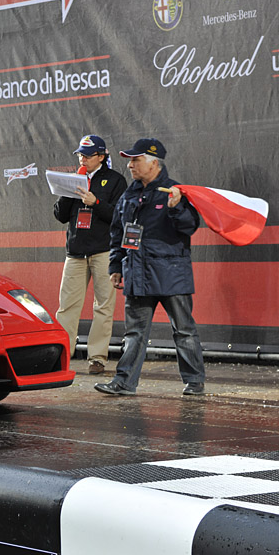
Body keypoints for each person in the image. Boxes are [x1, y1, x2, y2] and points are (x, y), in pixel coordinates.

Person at [95, 138, 206, 397]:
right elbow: (117, 233)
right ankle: (124, 383)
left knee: (184, 331)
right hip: (137, 273)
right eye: (130, 160)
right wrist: (115, 265)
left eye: (136, 160)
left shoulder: (174, 191)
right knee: (134, 333)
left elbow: (190, 226)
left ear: (154, 163)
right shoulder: (129, 194)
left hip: (171, 274)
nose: (130, 165)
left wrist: (176, 208)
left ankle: (195, 382)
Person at [53, 135, 127, 375]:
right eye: (80, 154)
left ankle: (97, 357)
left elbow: (120, 216)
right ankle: (62, 355)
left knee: (103, 306)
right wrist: (67, 190)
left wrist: (96, 202)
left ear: (102, 157)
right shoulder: (75, 178)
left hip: (103, 250)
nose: (82, 158)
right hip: (75, 251)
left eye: (87, 155)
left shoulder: (115, 180)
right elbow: (60, 215)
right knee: (67, 306)